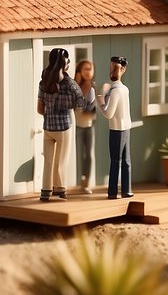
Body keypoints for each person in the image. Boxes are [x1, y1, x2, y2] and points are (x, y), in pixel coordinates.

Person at [36, 48, 96, 202]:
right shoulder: (70, 83)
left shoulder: (44, 81)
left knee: (48, 161)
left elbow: (40, 109)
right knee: (61, 161)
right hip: (65, 127)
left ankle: (45, 191)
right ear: (65, 63)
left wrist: (50, 112)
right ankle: (60, 189)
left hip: (48, 127)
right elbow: (81, 104)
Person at [98, 55, 134, 200]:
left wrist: (101, 100)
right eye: (111, 67)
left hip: (117, 129)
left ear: (122, 70)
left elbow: (108, 113)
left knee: (115, 161)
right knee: (126, 161)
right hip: (126, 127)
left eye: (115, 68)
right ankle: (127, 189)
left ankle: (112, 191)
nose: (112, 70)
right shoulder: (124, 89)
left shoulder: (116, 91)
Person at [73, 58, 97, 194]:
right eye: (85, 69)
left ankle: (85, 183)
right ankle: (74, 182)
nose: (88, 72)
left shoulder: (92, 87)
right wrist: (76, 83)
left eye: (90, 69)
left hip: (88, 125)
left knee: (89, 155)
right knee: (76, 154)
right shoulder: (75, 86)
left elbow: (90, 109)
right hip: (76, 125)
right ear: (79, 71)